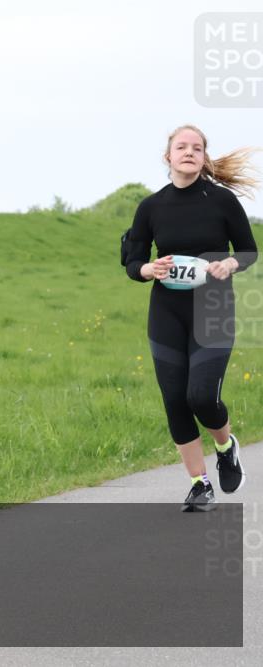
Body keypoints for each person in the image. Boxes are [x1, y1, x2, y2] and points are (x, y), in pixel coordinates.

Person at [123, 124, 258, 511]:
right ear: (168, 156)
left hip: (213, 308)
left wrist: (229, 264)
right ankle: (200, 484)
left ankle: (225, 446)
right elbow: (133, 261)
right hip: (166, 311)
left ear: (203, 157)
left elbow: (248, 250)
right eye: (181, 147)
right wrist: (148, 269)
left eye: (197, 148)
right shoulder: (151, 207)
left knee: (200, 395)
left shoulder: (222, 201)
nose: (189, 152)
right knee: (175, 400)